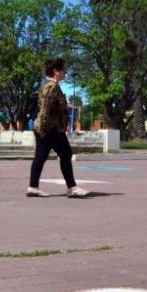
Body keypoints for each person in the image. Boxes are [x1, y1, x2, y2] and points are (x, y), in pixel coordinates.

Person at [27, 58, 89, 198]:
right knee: (66, 154)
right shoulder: (52, 87)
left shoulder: (49, 86)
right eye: (63, 69)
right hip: (50, 129)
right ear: (56, 71)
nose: (65, 72)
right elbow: (45, 110)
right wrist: (43, 130)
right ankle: (72, 188)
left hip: (46, 128)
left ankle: (33, 187)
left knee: (41, 157)